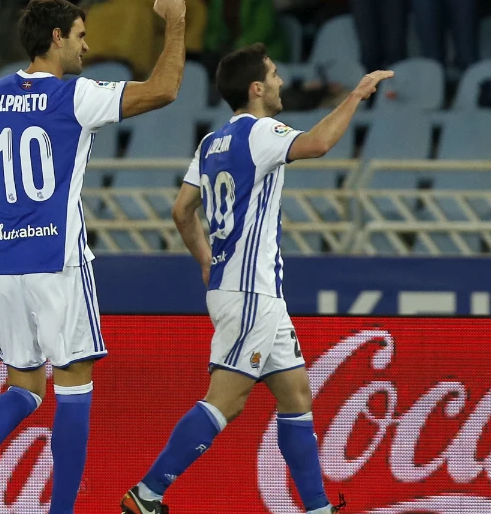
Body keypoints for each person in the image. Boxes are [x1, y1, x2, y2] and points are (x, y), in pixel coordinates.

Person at [120, 44, 392, 514]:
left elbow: (182, 210)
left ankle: (317, 508)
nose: (282, 81)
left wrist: (206, 259)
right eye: (275, 74)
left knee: (297, 395)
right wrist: (356, 96)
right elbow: (320, 144)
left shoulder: (210, 143)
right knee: (225, 401)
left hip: (243, 289)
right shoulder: (262, 131)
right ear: (256, 89)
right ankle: (147, 493)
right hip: (251, 293)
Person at [0, 0, 188, 514]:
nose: (87, 47)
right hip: (58, 258)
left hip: (6, 265)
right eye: (80, 36)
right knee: (73, 388)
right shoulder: (73, 95)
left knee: (25, 387)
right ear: (56, 38)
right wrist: (176, 21)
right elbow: (165, 89)